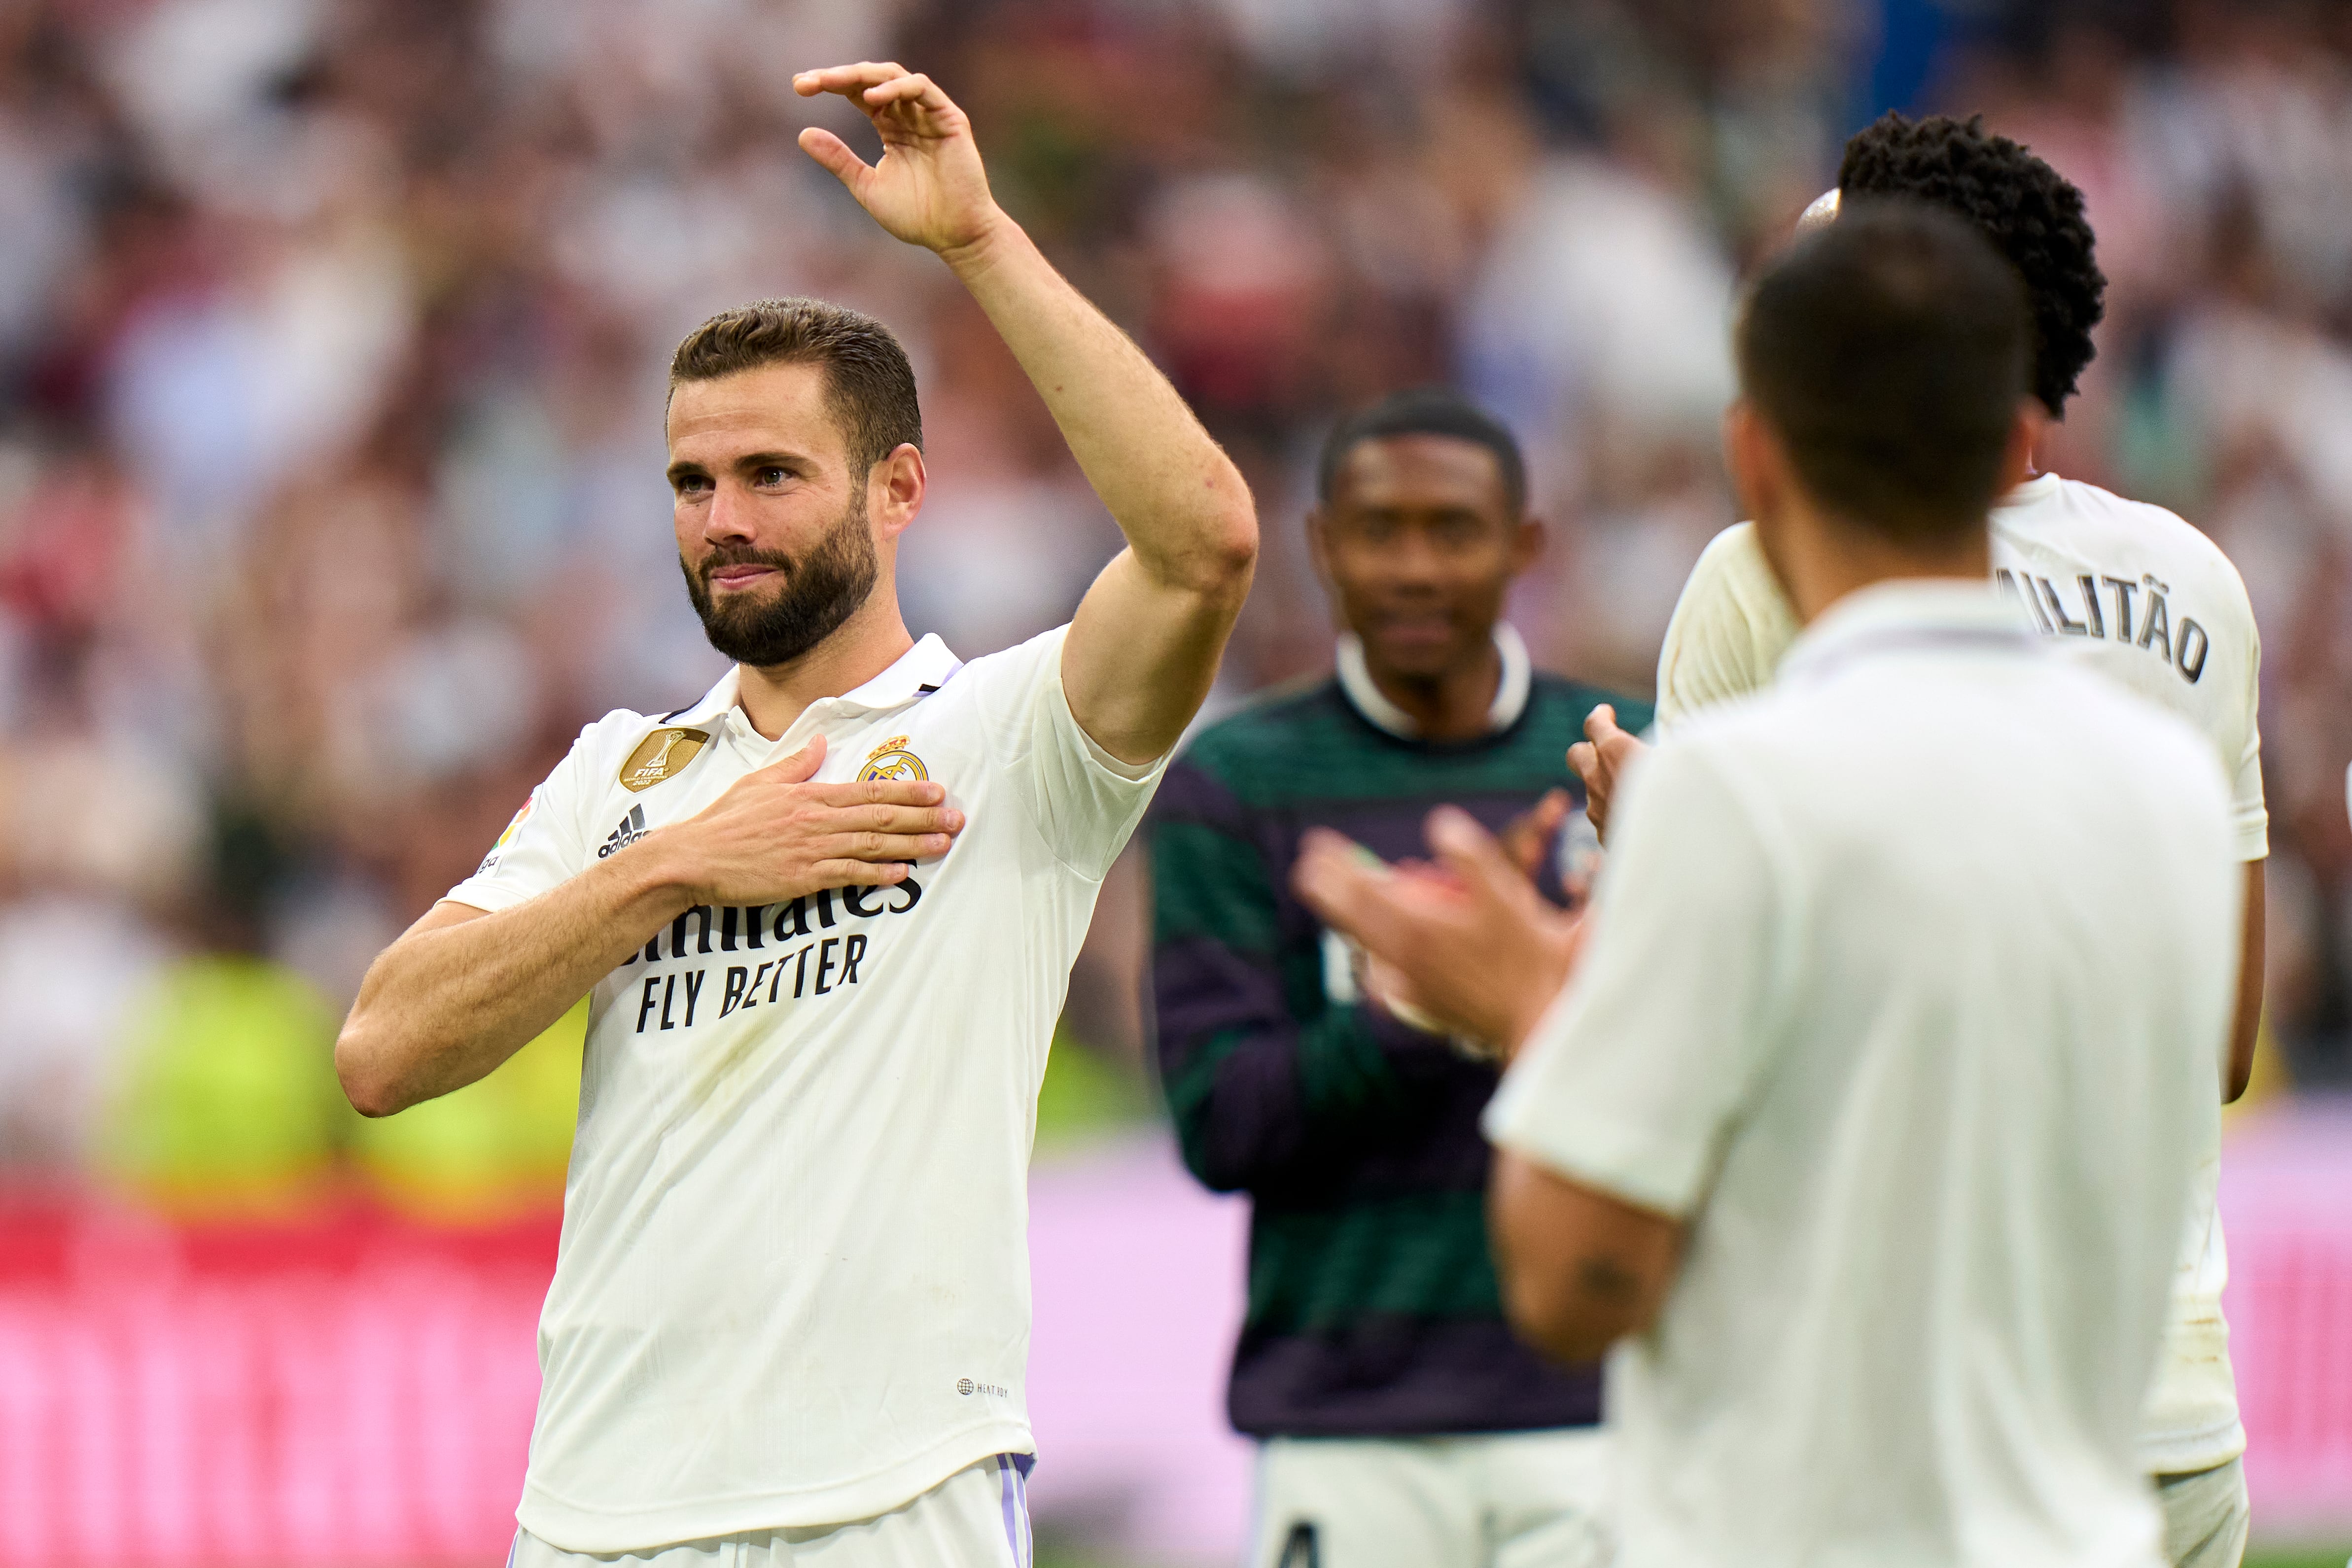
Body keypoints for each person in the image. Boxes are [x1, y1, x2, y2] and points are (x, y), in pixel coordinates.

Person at [333, 63, 1257, 1567]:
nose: (724, 521)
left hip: (889, 1495)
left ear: (899, 490)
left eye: (771, 473)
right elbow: (382, 1048)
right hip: (595, 1509)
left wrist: (976, 247)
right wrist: (679, 866)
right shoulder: (619, 776)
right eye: (692, 481)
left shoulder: (1011, 732)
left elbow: (1205, 542)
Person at [1295, 203, 2239, 1568]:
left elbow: (1575, 1280)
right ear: (2013, 441)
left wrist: (1530, 1000)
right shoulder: (2157, 779)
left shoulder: (1730, 793)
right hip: (2107, 1511)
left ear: (1756, 449)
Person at [1576, 114, 2264, 1568]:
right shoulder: (2191, 583)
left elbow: (1704, 1071)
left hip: (1898, 1432)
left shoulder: (1756, 573)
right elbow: (2217, 1045)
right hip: (2164, 1406)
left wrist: (1646, 862)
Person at [1149, 387, 1647, 1568]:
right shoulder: (1236, 784)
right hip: (1349, 1419)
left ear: (1524, 546)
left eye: (1453, 529)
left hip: (1598, 1412)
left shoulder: (1624, 759)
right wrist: (1420, 1006)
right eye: (1380, 530)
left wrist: (1567, 968)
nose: (1415, 566)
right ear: (1323, 547)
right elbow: (1221, 1124)